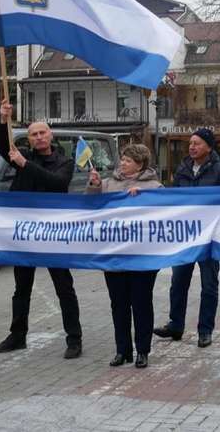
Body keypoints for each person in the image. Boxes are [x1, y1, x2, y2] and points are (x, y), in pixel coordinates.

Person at [0, 100, 83, 358]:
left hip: (53, 234)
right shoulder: (23, 156)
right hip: (25, 234)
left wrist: (24, 164)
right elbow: (2, 147)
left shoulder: (63, 161)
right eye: (34, 134)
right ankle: (17, 335)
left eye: (43, 132)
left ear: (50, 135)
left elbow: (56, 183)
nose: (39, 137)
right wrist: (2, 119)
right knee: (21, 287)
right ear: (29, 139)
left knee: (63, 287)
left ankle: (74, 338)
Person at [88, 144, 163, 368]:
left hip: (142, 256)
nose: (122, 163)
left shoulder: (154, 186)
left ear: (140, 164)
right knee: (118, 304)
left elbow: (163, 213)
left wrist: (143, 198)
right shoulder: (109, 183)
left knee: (141, 303)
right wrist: (93, 186)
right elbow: (91, 207)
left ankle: (142, 350)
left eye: (128, 160)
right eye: (122, 159)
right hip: (114, 255)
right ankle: (122, 350)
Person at [153, 128, 220, 348]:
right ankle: (175, 325)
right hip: (186, 238)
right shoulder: (183, 169)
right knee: (178, 283)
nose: (192, 147)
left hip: (209, 239)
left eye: (197, 143)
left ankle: (205, 330)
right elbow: (175, 198)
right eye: (190, 143)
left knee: (209, 285)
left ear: (209, 147)